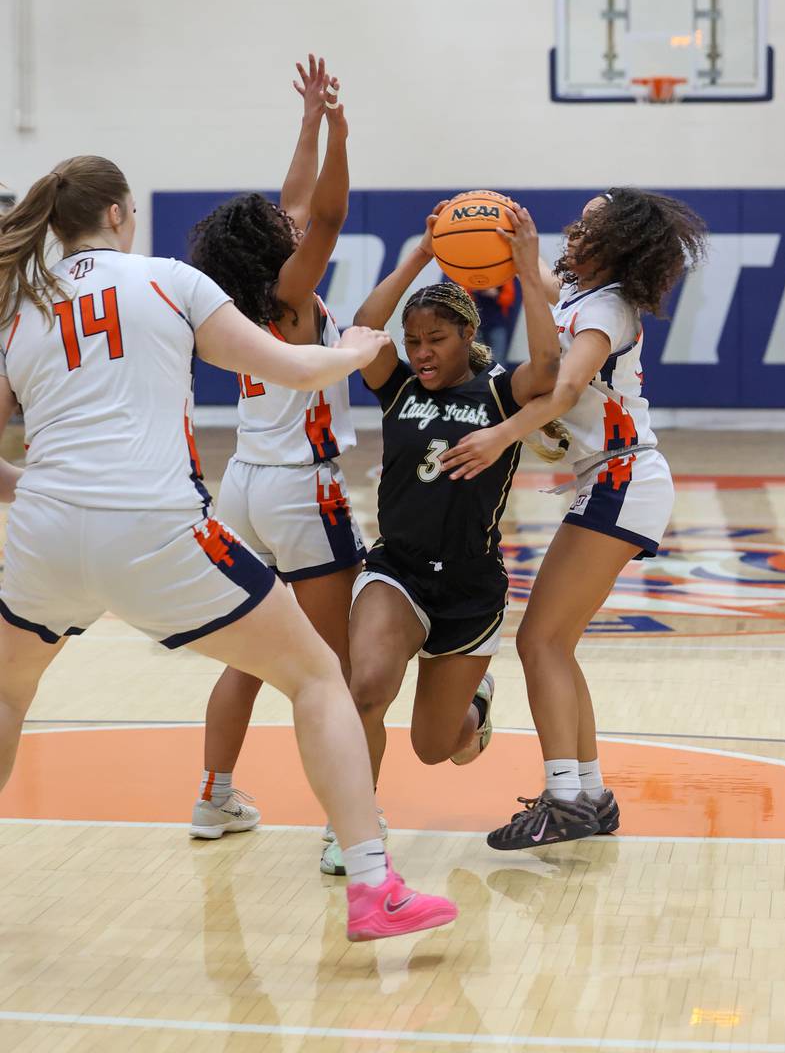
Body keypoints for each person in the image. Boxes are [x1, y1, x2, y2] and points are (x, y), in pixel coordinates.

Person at [0, 153, 457, 941]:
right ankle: (371, 884)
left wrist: (38, 486)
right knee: (317, 674)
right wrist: (355, 350)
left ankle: (220, 792)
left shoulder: (21, 307)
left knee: (8, 696)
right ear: (118, 213)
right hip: (156, 525)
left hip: (44, 531)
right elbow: (292, 366)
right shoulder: (170, 281)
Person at [440, 188, 707, 847]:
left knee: (540, 643)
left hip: (622, 477)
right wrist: (503, 241)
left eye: (588, 225)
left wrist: (501, 436)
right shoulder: (577, 294)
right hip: (613, 478)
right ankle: (589, 795)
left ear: (615, 243)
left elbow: (563, 387)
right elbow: (533, 281)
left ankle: (564, 800)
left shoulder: (608, 308)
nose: (573, 231)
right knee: (553, 644)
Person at [326, 200, 563, 872]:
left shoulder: (502, 394)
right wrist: (421, 256)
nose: (422, 353)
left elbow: (550, 368)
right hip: (396, 572)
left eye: (436, 340)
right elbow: (362, 328)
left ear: (467, 336)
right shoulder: (398, 387)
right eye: (414, 341)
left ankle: (474, 710)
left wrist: (526, 268)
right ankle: (352, 827)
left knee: (437, 747)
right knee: (366, 689)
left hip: (469, 587)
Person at [187, 58, 375, 854]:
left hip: (242, 488)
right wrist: (340, 136)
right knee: (333, 666)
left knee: (251, 654)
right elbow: (324, 215)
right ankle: (343, 829)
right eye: (278, 225)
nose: (287, 219)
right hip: (303, 489)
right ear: (274, 249)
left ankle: (214, 798)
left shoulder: (237, 299)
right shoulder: (292, 297)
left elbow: (297, 205)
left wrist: (307, 122)